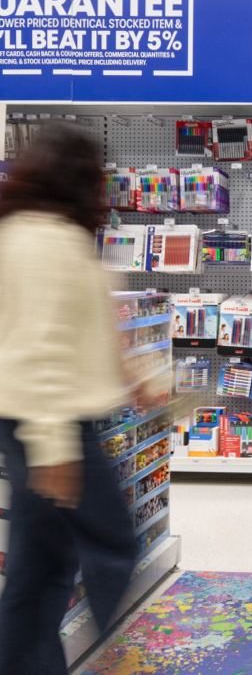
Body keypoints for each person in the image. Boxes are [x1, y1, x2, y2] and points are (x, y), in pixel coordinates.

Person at [0, 125, 136, 674]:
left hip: (40, 420)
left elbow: (82, 324)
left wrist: (132, 374)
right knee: (109, 543)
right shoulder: (46, 241)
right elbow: (42, 349)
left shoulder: (35, 233)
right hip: (50, 423)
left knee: (43, 566)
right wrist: (52, 446)